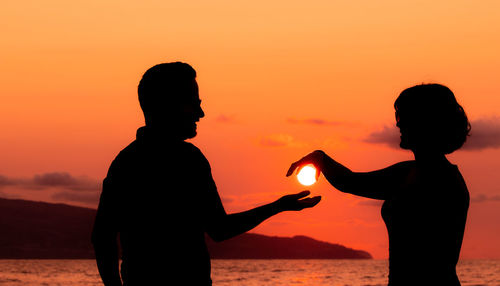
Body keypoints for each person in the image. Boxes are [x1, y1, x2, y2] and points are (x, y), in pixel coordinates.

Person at [91, 62, 321, 286]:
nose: (200, 113)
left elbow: (103, 237)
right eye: (193, 104)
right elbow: (220, 229)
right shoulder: (188, 160)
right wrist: (277, 207)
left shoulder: (125, 162)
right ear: (168, 105)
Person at [287, 84, 470, 285]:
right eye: (397, 117)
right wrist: (319, 157)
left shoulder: (443, 179)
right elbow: (350, 181)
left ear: (425, 121)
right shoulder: (408, 172)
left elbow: (433, 260)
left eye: (403, 116)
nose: (398, 124)